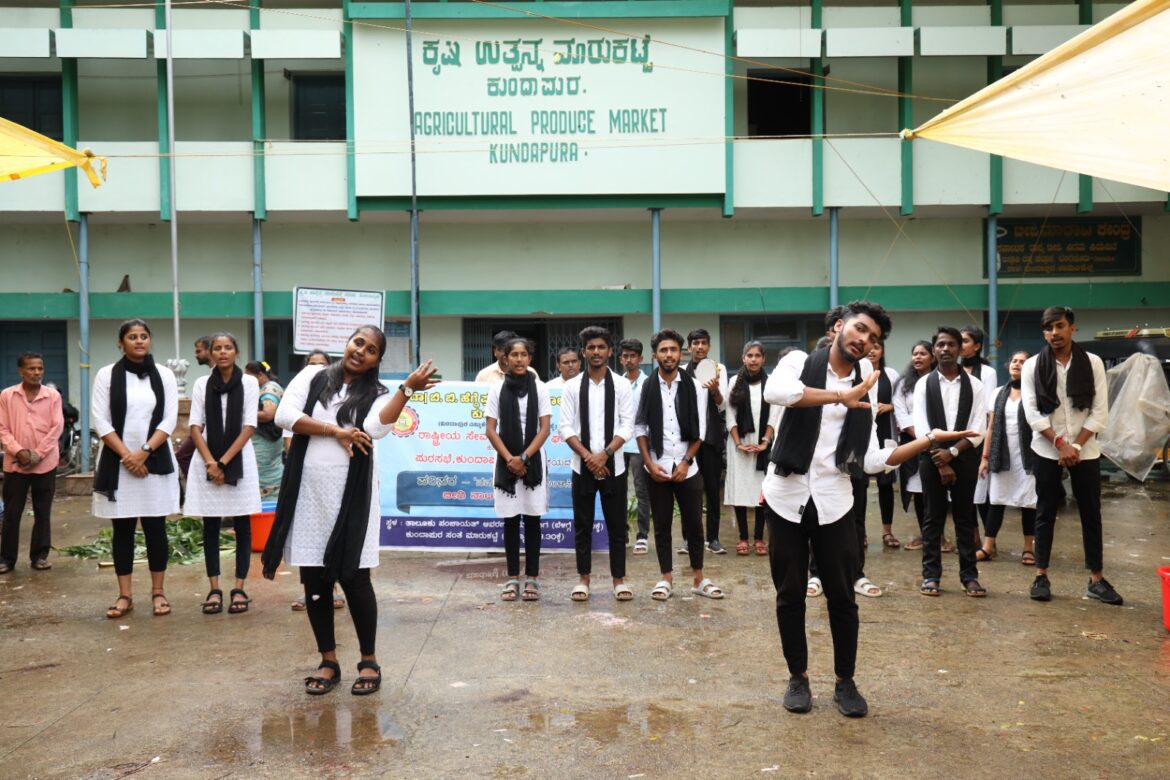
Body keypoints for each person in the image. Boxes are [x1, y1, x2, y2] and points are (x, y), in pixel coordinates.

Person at [762, 300, 978, 717]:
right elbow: (778, 393)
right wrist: (841, 396)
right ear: (838, 327)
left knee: (843, 597)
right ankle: (798, 678)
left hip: (836, 500)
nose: (865, 340)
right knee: (789, 594)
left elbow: (873, 458)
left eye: (874, 338)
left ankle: (845, 681)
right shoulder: (798, 362)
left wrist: (929, 439)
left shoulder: (870, 382)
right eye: (860, 329)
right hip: (786, 497)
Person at [262, 325, 440, 695]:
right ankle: (328, 661)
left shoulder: (378, 392)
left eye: (371, 349)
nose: (361, 351)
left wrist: (406, 390)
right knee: (314, 578)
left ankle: (368, 660)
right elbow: (283, 416)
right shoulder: (313, 376)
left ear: (377, 360)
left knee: (356, 578)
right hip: (308, 493)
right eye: (359, 342)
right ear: (347, 343)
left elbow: (376, 428)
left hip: (352, 494)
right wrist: (336, 432)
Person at [1020, 306, 1121, 605]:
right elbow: (1032, 413)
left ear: (1072, 328)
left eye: (1060, 326)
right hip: (1046, 449)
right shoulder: (1032, 366)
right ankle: (1040, 575)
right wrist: (1059, 443)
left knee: (1091, 512)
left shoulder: (1092, 362)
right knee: (1045, 511)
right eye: (1048, 328)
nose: (1054, 333)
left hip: (1085, 450)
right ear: (1044, 333)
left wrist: (1074, 446)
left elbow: (1100, 411)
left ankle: (1096, 580)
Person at [92, 319, 180, 618]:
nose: (139, 341)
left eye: (144, 336)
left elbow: (169, 419)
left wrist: (143, 452)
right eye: (132, 337)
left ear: (150, 340)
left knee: (156, 528)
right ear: (121, 343)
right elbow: (100, 419)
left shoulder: (164, 374)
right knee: (123, 530)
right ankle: (125, 595)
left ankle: (158, 592)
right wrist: (127, 456)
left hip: (154, 457)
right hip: (117, 461)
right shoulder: (106, 374)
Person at [635, 328, 724, 601]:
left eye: (673, 349)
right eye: (663, 350)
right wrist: (649, 463)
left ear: (680, 353)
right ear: (655, 355)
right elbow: (640, 428)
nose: (669, 354)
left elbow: (701, 431)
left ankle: (699, 578)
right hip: (658, 467)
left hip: (688, 467)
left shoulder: (695, 386)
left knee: (695, 524)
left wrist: (686, 462)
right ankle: (666, 579)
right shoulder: (646, 386)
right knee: (662, 525)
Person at [559, 327, 635, 602]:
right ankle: (584, 579)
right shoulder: (571, 387)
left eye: (601, 347)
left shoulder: (622, 385)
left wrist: (605, 454)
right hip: (582, 467)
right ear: (583, 352)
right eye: (590, 347)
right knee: (583, 524)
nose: (596, 352)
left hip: (614, 466)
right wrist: (590, 458)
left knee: (617, 525)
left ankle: (618, 580)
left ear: (610, 351)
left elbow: (627, 425)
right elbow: (565, 426)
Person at [186, 333, 261, 615]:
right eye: (217, 348)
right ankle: (214, 588)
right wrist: (210, 463)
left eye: (228, 347)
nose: (222, 352)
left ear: (236, 352)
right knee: (211, 526)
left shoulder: (249, 383)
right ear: (210, 354)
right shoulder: (202, 384)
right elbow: (195, 426)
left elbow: (249, 426)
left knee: (242, 525)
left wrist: (223, 463)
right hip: (207, 459)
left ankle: (239, 587)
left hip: (239, 460)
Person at [913, 327, 988, 598]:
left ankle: (970, 577)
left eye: (951, 344)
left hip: (965, 457)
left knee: (965, 518)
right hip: (931, 457)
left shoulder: (975, 385)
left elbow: (978, 428)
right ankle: (931, 575)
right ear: (934, 350)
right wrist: (941, 461)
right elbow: (921, 427)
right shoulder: (924, 384)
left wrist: (952, 453)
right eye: (941, 344)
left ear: (960, 349)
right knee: (932, 518)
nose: (946, 349)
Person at [485, 337, 552, 602]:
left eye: (524, 354)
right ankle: (512, 577)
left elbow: (544, 429)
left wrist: (523, 458)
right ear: (506, 359)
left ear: (530, 358)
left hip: (533, 460)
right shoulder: (497, 389)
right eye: (514, 355)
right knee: (511, 520)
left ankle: (532, 577)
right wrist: (510, 459)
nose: (519, 359)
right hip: (505, 461)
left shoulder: (541, 388)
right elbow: (491, 429)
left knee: (533, 519)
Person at [286, 350, 345, 613]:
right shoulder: (298, 399)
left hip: (334, 479)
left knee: (332, 532)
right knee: (307, 536)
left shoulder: (340, 396)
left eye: (322, 365)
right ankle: (311, 588)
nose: (316, 369)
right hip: (305, 478)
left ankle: (333, 588)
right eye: (311, 365)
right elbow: (290, 437)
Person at [0, 353, 62, 573]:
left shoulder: (52, 396)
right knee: (12, 513)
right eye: (31, 368)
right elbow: (2, 428)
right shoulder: (7, 395)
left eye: (40, 368)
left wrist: (37, 454)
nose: (37, 373)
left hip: (45, 463)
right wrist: (19, 451)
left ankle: (39, 556)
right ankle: (6, 559)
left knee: (42, 512)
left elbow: (57, 428)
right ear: (21, 371)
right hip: (15, 464)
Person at [977, 351, 1037, 564]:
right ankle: (988, 547)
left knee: (1029, 502)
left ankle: (1028, 548)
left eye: (1022, 362)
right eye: (1014, 361)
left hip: (1028, 457)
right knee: (997, 499)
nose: (1017, 364)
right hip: (1001, 455)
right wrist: (985, 458)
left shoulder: (1035, 393)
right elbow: (991, 427)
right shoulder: (997, 393)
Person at [724, 341, 778, 556]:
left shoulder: (771, 382)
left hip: (762, 445)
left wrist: (765, 442)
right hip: (739, 445)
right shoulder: (733, 382)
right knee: (740, 490)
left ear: (763, 359)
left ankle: (759, 538)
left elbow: (774, 415)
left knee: (761, 492)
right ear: (743, 358)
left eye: (757, 355)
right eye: (750, 355)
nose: (753, 359)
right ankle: (743, 538)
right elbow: (729, 415)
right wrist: (739, 443)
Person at [683, 328, 728, 554]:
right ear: (689, 347)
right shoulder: (682, 371)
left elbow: (722, 405)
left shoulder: (719, 369)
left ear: (709, 346)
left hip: (711, 438)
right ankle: (688, 538)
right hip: (688, 439)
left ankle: (713, 538)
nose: (699, 347)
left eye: (703, 343)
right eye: (695, 343)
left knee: (711, 489)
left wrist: (715, 390)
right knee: (689, 490)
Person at [892, 341, 935, 552]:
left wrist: (933, 439)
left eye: (923, 353)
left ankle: (938, 536)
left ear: (932, 357)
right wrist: (923, 439)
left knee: (937, 489)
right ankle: (925, 535)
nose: (917, 357)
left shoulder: (938, 380)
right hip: (913, 442)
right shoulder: (903, 384)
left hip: (939, 440)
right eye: (915, 353)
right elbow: (901, 414)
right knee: (917, 489)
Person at [961, 325, 998, 536]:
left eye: (965, 341)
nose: (960, 345)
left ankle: (988, 539)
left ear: (976, 346)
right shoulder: (952, 370)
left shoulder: (987, 372)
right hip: (956, 435)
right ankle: (972, 535)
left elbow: (988, 409)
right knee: (963, 490)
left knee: (982, 489)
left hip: (979, 435)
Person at [619, 338, 652, 555]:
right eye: (625, 356)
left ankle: (642, 535)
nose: (629, 360)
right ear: (620, 359)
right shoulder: (616, 383)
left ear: (641, 358)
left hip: (640, 444)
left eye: (633, 356)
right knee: (618, 491)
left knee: (642, 491)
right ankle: (622, 534)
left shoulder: (648, 383)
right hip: (619, 444)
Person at [869, 340, 901, 550]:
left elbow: (901, 402)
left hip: (885, 432)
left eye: (877, 348)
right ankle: (859, 533)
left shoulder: (890, 374)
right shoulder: (856, 372)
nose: (872, 351)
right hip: (862, 434)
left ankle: (887, 531)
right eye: (869, 347)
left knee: (885, 483)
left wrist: (890, 406)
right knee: (858, 484)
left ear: (882, 351)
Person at [244, 361, 284, 500]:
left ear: (260, 375)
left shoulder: (270, 388)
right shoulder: (266, 387)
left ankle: (268, 505)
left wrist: (241, 413)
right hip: (267, 439)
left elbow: (268, 414)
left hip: (266, 440)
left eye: (249, 376)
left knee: (264, 473)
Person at [174, 336, 212, 479]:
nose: (196, 355)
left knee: (183, 455)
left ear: (209, 351)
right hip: (202, 426)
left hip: (206, 426)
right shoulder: (205, 379)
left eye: (199, 351)